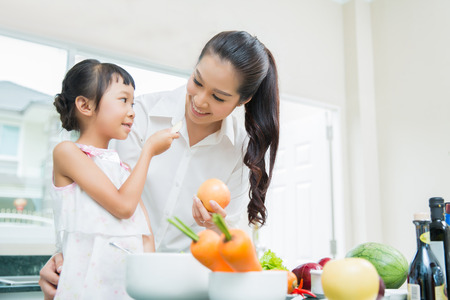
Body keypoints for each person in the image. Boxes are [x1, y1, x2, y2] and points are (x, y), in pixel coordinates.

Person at [39, 30, 279, 299]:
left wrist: (217, 227)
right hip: (117, 279)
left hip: (188, 285)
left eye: (219, 97)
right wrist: (63, 255)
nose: (200, 101)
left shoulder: (238, 149)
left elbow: (233, 237)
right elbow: (93, 198)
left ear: (243, 100)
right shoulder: (137, 116)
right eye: (197, 81)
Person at [49, 59, 179, 299]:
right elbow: (123, 207)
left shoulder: (123, 169)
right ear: (85, 106)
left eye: (133, 102)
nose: (132, 111)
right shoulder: (68, 153)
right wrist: (148, 150)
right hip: (84, 289)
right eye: (123, 100)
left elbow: (145, 235)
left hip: (124, 290)